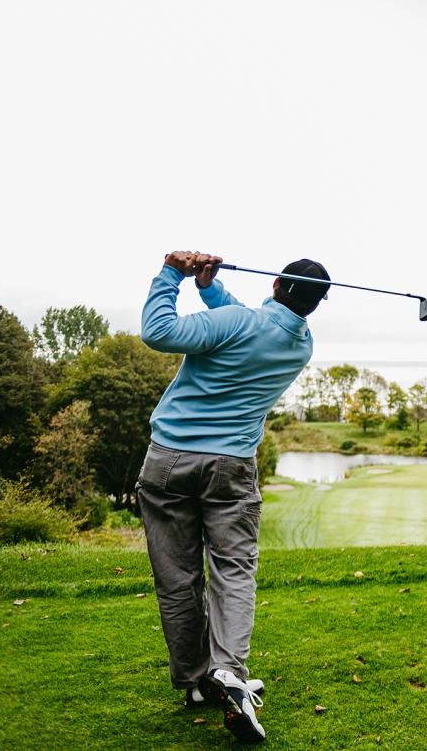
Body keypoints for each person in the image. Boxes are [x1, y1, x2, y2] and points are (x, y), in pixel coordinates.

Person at [137, 250, 329, 744]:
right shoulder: (300, 344)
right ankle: (227, 672)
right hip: (232, 469)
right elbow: (251, 324)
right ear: (314, 303)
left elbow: (159, 332)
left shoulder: (238, 321)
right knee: (234, 570)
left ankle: (197, 681)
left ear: (277, 286)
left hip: (170, 462)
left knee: (178, 579)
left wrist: (172, 274)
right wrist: (209, 288)